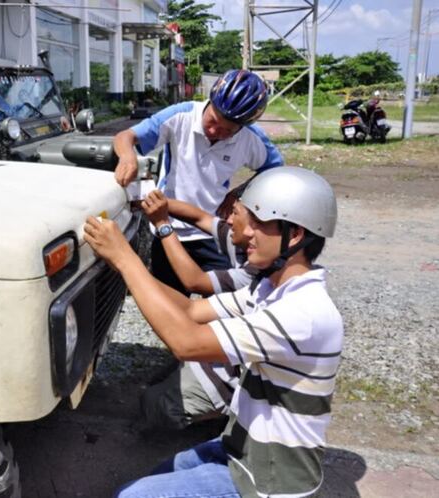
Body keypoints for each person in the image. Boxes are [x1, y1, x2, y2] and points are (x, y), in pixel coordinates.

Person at [84, 166, 342, 498]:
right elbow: (191, 309)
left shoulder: (303, 314)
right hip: (240, 447)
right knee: (159, 473)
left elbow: (186, 343)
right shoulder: (267, 290)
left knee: (130, 496)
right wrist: (128, 272)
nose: (244, 230)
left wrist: (125, 259)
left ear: (294, 236)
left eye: (258, 223)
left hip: (269, 481)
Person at [113, 69, 283, 290]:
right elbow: (125, 136)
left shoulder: (252, 139)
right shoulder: (180, 116)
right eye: (212, 120)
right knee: (171, 307)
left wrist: (239, 194)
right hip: (168, 227)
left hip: (214, 232)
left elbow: (275, 172)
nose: (214, 130)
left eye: (226, 131)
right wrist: (128, 156)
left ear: (242, 127)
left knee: (221, 310)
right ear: (209, 102)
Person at [139, 188, 257, 429]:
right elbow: (201, 218)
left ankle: (227, 415)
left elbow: (194, 282)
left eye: (235, 213)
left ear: (256, 224)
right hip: (228, 353)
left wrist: (162, 224)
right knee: (155, 383)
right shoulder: (249, 245)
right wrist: (155, 203)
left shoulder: (256, 275)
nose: (228, 219)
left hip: (233, 375)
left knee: (152, 407)